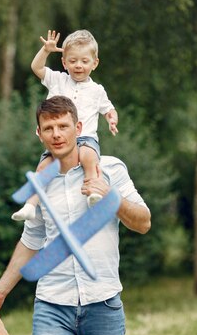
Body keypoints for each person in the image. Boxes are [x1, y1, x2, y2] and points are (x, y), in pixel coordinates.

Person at [0, 96, 151, 335]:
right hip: (52, 307)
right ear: (39, 134)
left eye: (63, 126)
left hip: (104, 304)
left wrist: (110, 196)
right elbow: (31, 240)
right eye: (49, 128)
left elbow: (143, 222)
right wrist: (1, 290)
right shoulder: (40, 185)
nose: (57, 133)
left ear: (78, 127)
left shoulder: (109, 168)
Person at [12, 29, 119, 221]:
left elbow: (109, 109)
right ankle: (30, 205)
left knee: (88, 157)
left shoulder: (97, 90)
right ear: (64, 62)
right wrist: (46, 50)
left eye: (84, 61)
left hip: (85, 137)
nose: (78, 66)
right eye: (73, 61)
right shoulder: (58, 79)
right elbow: (36, 68)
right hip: (58, 137)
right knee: (43, 166)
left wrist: (111, 119)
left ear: (94, 63)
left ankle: (92, 191)